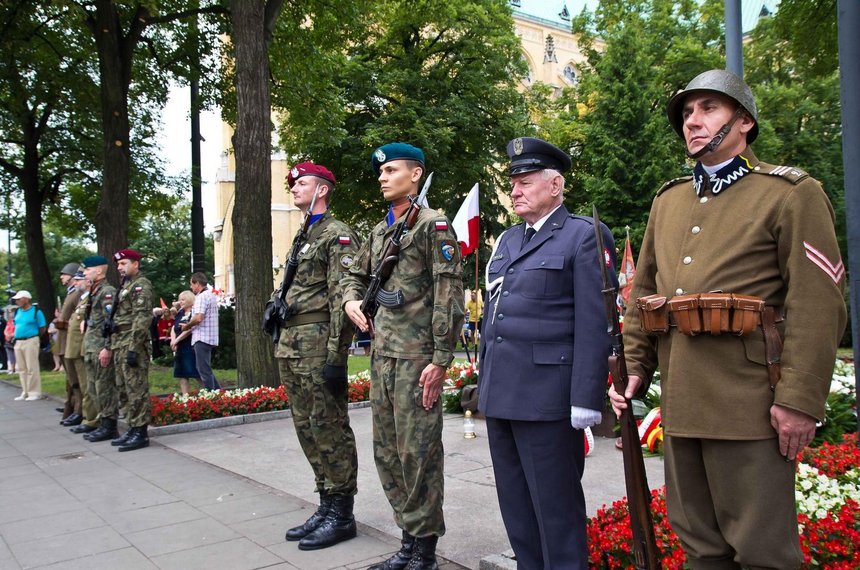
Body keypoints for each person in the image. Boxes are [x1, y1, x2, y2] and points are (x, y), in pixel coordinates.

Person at [610, 69, 847, 569]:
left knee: (763, 552)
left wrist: (799, 400)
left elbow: (818, 303)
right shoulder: (669, 200)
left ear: (744, 121)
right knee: (700, 548)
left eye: (708, 108)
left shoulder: (789, 193)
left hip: (750, 406)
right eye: (687, 113)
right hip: (682, 403)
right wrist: (634, 368)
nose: (692, 121)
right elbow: (643, 295)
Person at [477, 137, 615, 569]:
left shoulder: (583, 235)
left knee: (557, 514)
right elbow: (494, 317)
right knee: (517, 511)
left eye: (525, 181)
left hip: (548, 401)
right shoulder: (508, 240)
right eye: (512, 183)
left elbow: (596, 323)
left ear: (555, 185)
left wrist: (586, 399)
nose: (515, 190)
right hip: (502, 395)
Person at [343, 142, 465, 569]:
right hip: (383, 356)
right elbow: (354, 275)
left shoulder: (434, 226)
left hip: (417, 360)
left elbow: (449, 295)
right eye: (381, 172)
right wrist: (351, 300)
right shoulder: (380, 232)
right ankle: (408, 540)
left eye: (391, 170)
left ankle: (424, 550)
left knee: (419, 453)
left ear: (415, 175)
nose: (382, 177)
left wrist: (440, 359)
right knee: (388, 452)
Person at [274, 161, 360, 551]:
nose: (294, 188)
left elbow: (344, 298)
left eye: (302, 183)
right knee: (306, 427)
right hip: (292, 344)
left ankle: (342, 514)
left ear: (322, 189)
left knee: (328, 426)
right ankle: (326, 503)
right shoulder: (304, 235)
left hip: (317, 343)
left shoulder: (337, 235)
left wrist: (336, 358)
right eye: (293, 183)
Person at [101, 249, 154, 452]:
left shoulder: (141, 286)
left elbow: (142, 318)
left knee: (136, 389)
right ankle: (132, 427)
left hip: (133, 344)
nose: (119, 268)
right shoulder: (125, 286)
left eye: (123, 264)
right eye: (118, 264)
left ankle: (140, 432)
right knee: (123, 388)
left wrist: (133, 348)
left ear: (135, 264)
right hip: (120, 343)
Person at [76, 256, 118, 438]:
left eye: (87, 270)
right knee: (93, 388)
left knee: (104, 388)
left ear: (99, 271)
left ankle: (109, 426)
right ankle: (102, 422)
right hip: (91, 346)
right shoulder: (95, 291)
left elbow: (111, 322)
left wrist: (107, 347)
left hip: (100, 347)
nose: (84, 273)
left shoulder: (107, 292)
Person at [59, 271, 90, 427]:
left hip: (80, 346)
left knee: (83, 383)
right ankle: (79, 411)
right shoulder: (80, 298)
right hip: (72, 345)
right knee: (75, 382)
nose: (76, 283)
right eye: (76, 280)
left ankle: (85, 414)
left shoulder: (85, 298)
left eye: (79, 279)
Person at [181, 272, 221, 391]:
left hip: (201, 337)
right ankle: (219, 393)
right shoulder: (211, 295)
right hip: (210, 336)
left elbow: (199, 318)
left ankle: (211, 395)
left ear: (197, 284)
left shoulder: (201, 297)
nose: (191, 287)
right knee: (205, 368)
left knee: (203, 370)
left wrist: (187, 326)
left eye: (191, 284)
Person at [55, 262, 82, 416]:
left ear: (72, 276)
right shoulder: (71, 293)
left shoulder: (77, 294)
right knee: (71, 377)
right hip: (64, 339)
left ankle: (77, 409)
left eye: (64, 274)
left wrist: (62, 323)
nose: (61, 277)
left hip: (70, 339)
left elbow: (77, 318)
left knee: (75, 378)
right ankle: (71, 405)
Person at [11, 290, 47, 400]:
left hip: (31, 340)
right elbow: (16, 325)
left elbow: (42, 327)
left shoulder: (36, 311)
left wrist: (35, 336)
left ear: (26, 299)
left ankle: (34, 392)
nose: (17, 301)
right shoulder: (17, 311)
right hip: (18, 341)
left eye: (19, 299)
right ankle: (25, 391)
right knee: (22, 368)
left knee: (32, 367)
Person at [170, 290, 199, 396]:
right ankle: (185, 397)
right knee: (182, 373)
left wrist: (177, 340)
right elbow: (174, 327)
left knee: (195, 372)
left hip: (190, 345)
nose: (180, 302)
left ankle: (209, 393)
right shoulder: (180, 313)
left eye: (183, 299)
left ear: (190, 300)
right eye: (180, 300)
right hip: (179, 347)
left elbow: (190, 329)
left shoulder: (194, 312)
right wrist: (173, 340)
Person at [4, 307, 17, 374]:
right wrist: (7, 334)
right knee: (10, 355)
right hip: (8, 340)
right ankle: (12, 369)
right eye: (9, 312)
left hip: (14, 340)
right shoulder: (9, 321)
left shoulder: (17, 321)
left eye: (11, 312)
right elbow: (5, 330)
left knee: (15, 355)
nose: (10, 314)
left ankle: (15, 368)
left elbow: (17, 330)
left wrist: (11, 335)